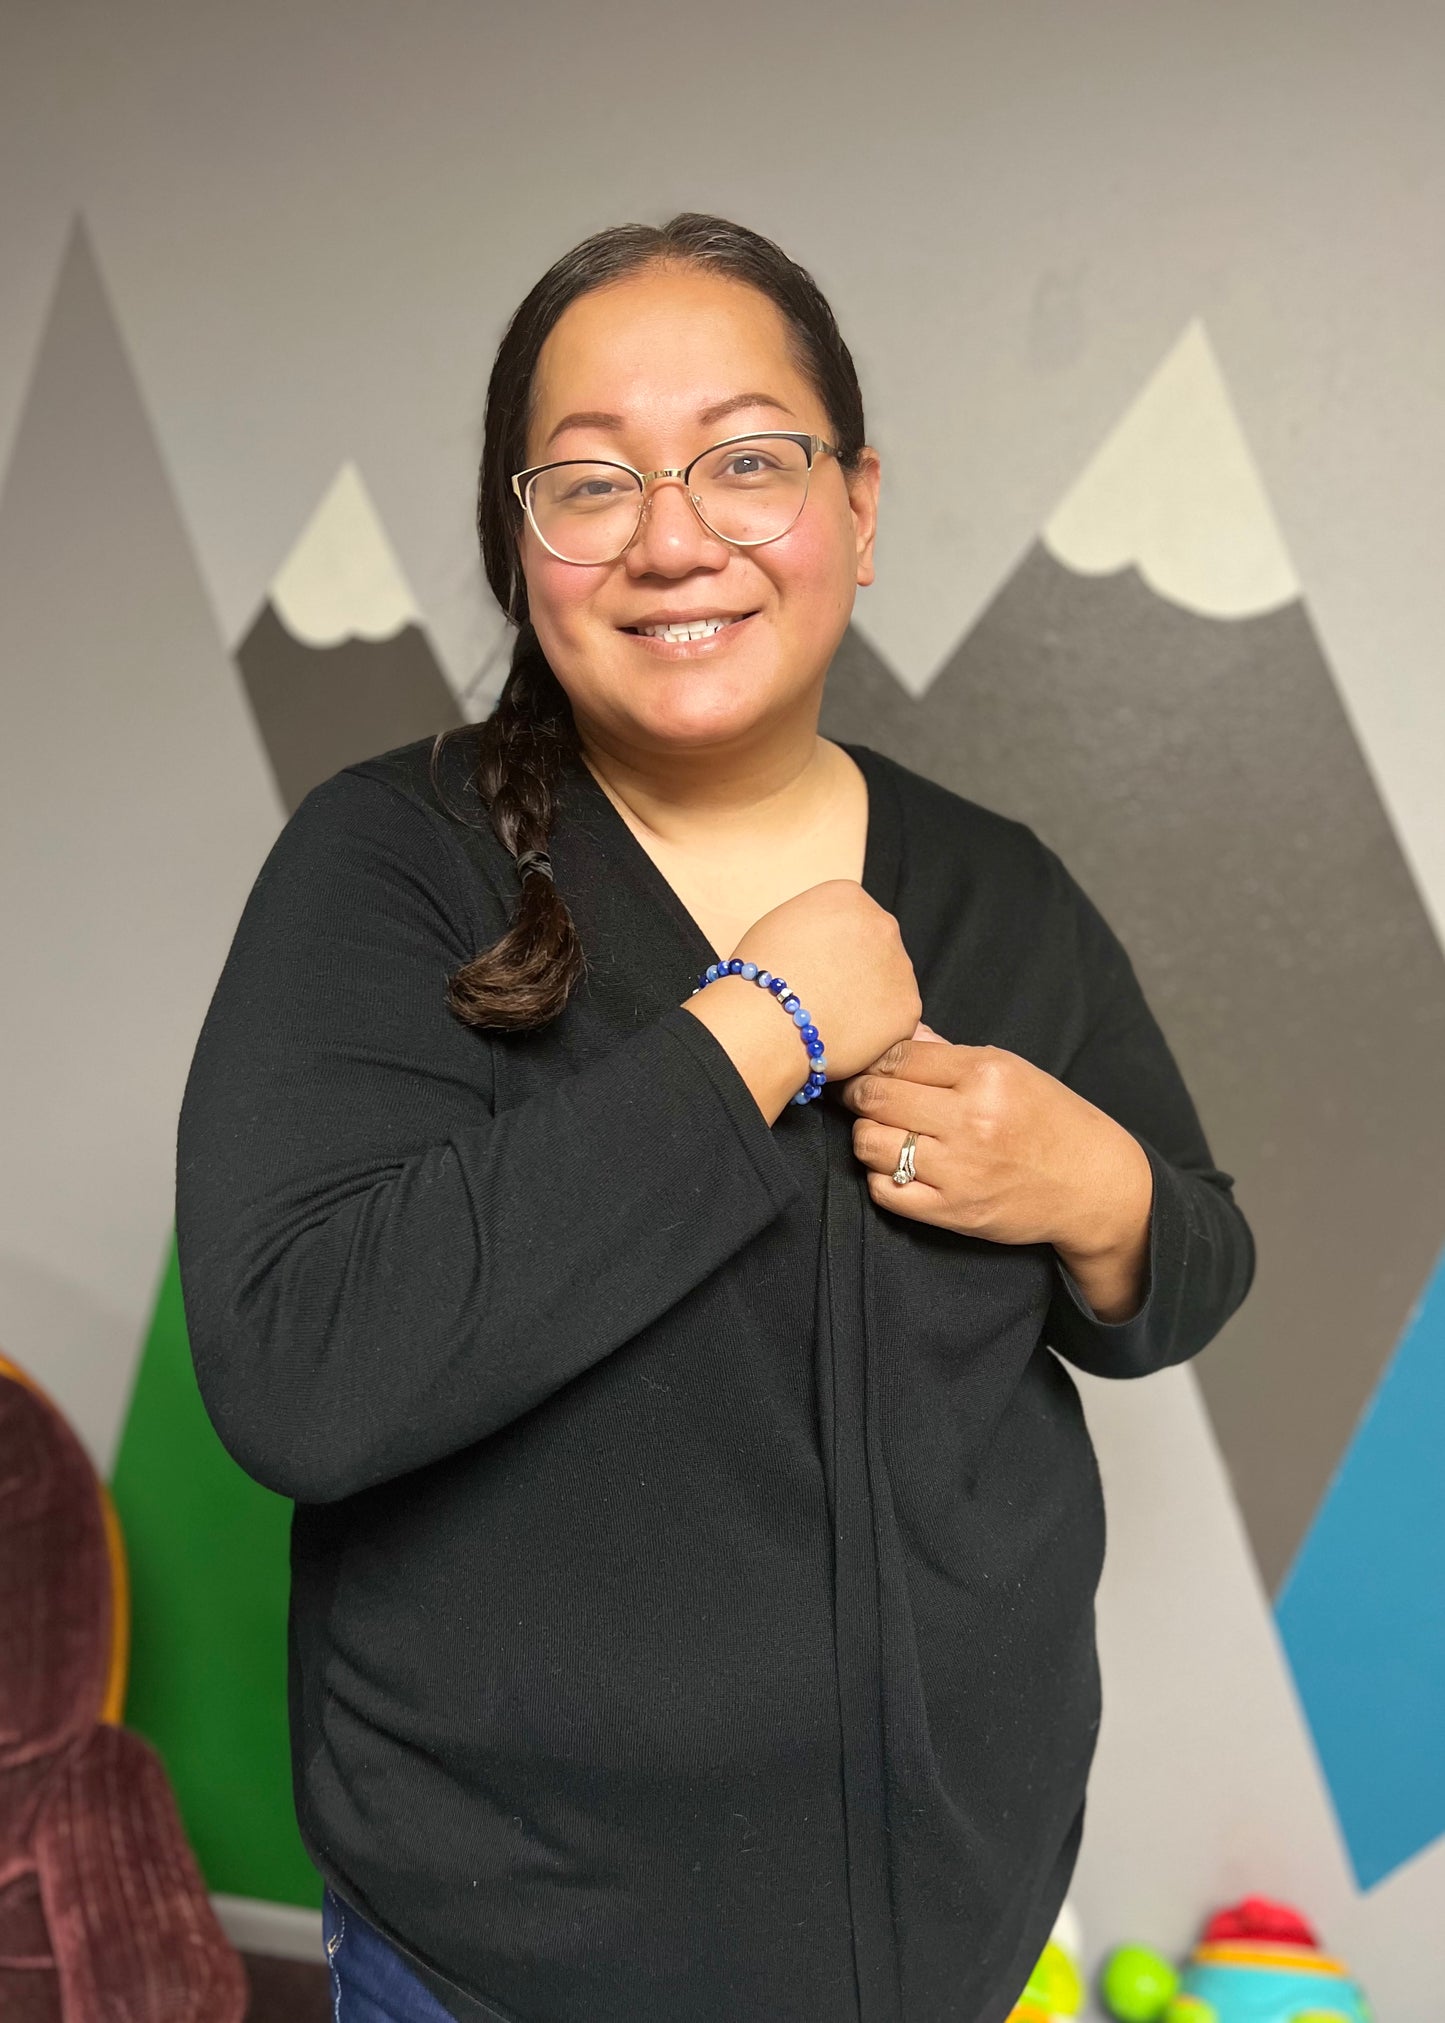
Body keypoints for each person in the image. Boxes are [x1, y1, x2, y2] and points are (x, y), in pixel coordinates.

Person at [175, 212, 1256, 2023]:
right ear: (520, 547)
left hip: (959, 1941)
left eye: (749, 460)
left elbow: (1193, 1262)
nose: (675, 535)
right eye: (592, 483)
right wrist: (752, 1032)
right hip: (514, 1967)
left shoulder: (1001, 892)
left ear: (860, 504)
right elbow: (300, 1368)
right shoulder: (392, 866)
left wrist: (1095, 1183)